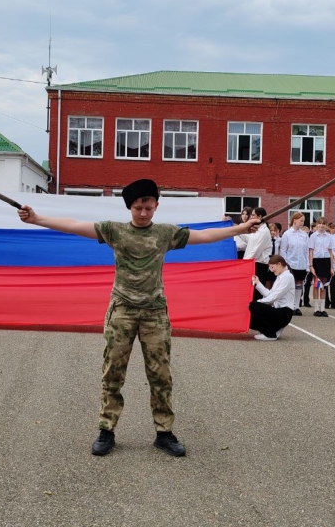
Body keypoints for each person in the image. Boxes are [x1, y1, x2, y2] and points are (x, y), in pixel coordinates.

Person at [18, 179, 259, 457]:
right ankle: (106, 430)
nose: (143, 213)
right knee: (113, 371)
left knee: (161, 374)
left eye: (148, 207)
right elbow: (74, 225)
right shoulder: (114, 231)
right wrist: (37, 219)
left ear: (156, 206)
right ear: (129, 208)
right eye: (137, 208)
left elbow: (203, 236)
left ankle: (164, 432)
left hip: (155, 312)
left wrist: (240, 228)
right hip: (122, 310)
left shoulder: (166, 233)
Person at [249, 255, 295, 341]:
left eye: (272, 267)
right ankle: (272, 330)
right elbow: (270, 294)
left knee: (254, 306)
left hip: (284, 312)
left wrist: (259, 302)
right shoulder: (280, 277)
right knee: (252, 314)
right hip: (278, 310)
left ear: (279, 264)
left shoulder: (288, 277)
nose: (272, 270)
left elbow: (276, 296)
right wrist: (258, 283)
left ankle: (270, 334)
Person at [280, 212, 309, 316]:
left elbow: (306, 251)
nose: (303, 222)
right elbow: (283, 250)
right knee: (290, 285)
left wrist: (308, 265)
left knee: (299, 285)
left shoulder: (304, 235)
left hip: (301, 264)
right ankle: (289, 305)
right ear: (294, 220)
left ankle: (296, 306)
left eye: (303, 220)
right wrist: (285, 264)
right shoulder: (287, 234)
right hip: (290, 264)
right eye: (301, 220)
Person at [308, 217, 335, 317]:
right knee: (316, 285)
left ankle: (323, 308)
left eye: (323, 223)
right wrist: (311, 265)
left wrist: (332, 267)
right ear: (316, 225)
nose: (321, 225)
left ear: (326, 225)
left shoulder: (329, 237)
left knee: (324, 285)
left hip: (326, 260)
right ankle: (316, 309)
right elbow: (311, 251)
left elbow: (331, 252)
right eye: (319, 223)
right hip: (316, 260)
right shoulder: (313, 236)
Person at [243, 207, 272, 301]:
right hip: (251, 263)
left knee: (256, 292)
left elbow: (257, 251)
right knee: (249, 291)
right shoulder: (256, 230)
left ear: (259, 217)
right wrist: (233, 228)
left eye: (253, 215)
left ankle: (256, 314)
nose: (251, 217)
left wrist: (244, 262)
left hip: (258, 265)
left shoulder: (264, 232)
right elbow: (248, 239)